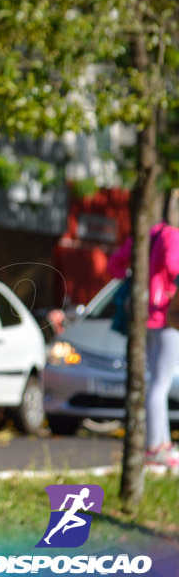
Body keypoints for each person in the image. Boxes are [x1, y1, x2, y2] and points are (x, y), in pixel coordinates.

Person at [109, 191, 179, 470]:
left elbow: (115, 264)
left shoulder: (148, 234)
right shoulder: (173, 236)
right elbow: (175, 266)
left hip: (143, 314)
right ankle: (156, 445)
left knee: (155, 380)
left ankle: (160, 444)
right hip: (167, 316)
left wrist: (140, 280)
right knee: (161, 382)